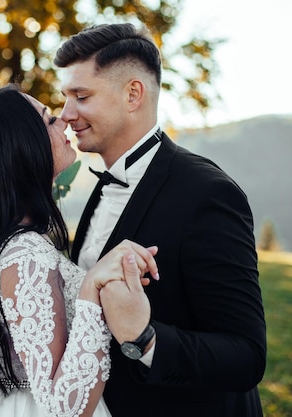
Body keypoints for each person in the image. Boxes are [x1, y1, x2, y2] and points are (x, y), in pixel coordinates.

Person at [53, 23, 267, 417]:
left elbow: (247, 356)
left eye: (80, 96)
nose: (66, 115)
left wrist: (144, 338)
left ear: (132, 94)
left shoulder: (206, 193)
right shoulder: (100, 186)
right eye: (65, 97)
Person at [0, 84, 159, 417]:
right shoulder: (25, 254)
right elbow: (63, 408)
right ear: (21, 146)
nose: (65, 122)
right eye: (49, 119)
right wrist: (91, 290)